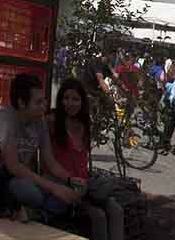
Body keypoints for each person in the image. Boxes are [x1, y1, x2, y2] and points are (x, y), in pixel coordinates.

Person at [0, 73, 80, 221]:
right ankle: (40, 212)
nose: (45, 105)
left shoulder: (39, 121)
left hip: (25, 177)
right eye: (39, 102)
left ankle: (36, 214)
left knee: (69, 192)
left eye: (44, 100)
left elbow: (49, 160)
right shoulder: (6, 119)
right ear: (22, 103)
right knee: (32, 192)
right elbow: (14, 167)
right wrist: (54, 188)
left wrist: (70, 180)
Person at [48, 80, 125, 240]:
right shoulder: (52, 121)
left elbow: (83, 160)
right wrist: (69, 181)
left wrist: (86, 182)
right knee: (98, 216)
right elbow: (47, 160)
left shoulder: (84, 124)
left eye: (75, 99)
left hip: (84, 184)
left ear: (82, 102)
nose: (70, 103)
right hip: (63, 184)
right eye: (66, 98)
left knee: (116, 210)